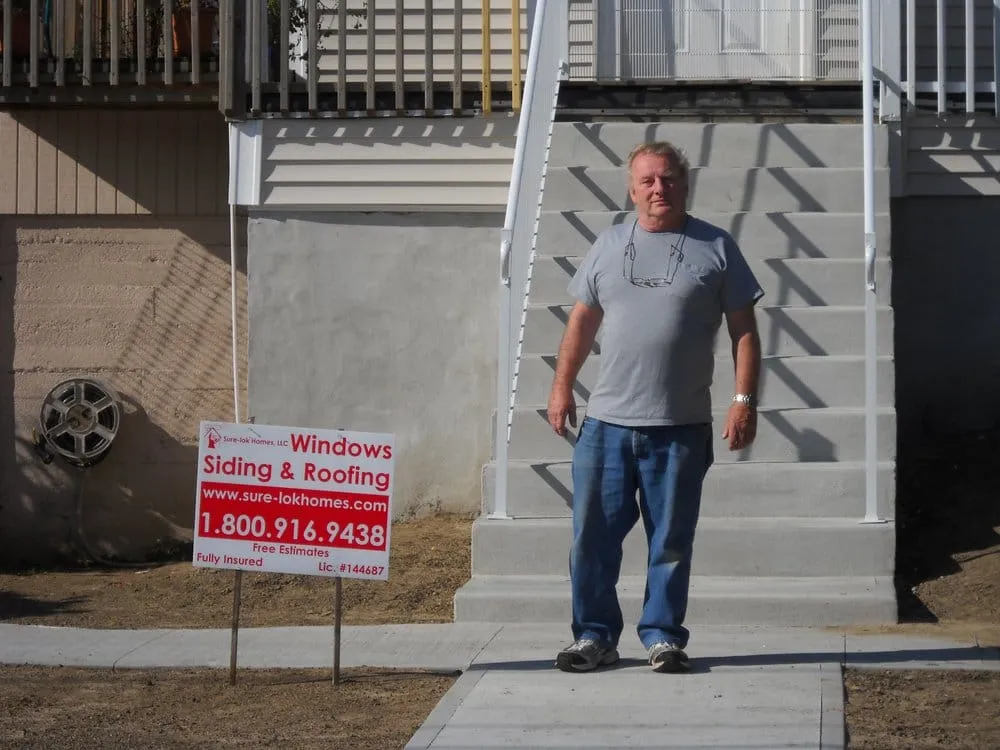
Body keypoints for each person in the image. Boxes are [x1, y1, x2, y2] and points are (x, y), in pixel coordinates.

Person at [547, 141, 764, 674]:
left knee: (670, 541)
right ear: (631, 188)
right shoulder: (608, 244)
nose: (658, 189)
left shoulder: (716, 246)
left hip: (680, 428)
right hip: (607, 426)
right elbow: (581, 322)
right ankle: (594, 636)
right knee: (591, 540)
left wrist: (743, 401)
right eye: (647, 181)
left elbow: (744, 332)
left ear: (684, 185)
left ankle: (663, 636)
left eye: (667, 179)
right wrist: (561, 387)